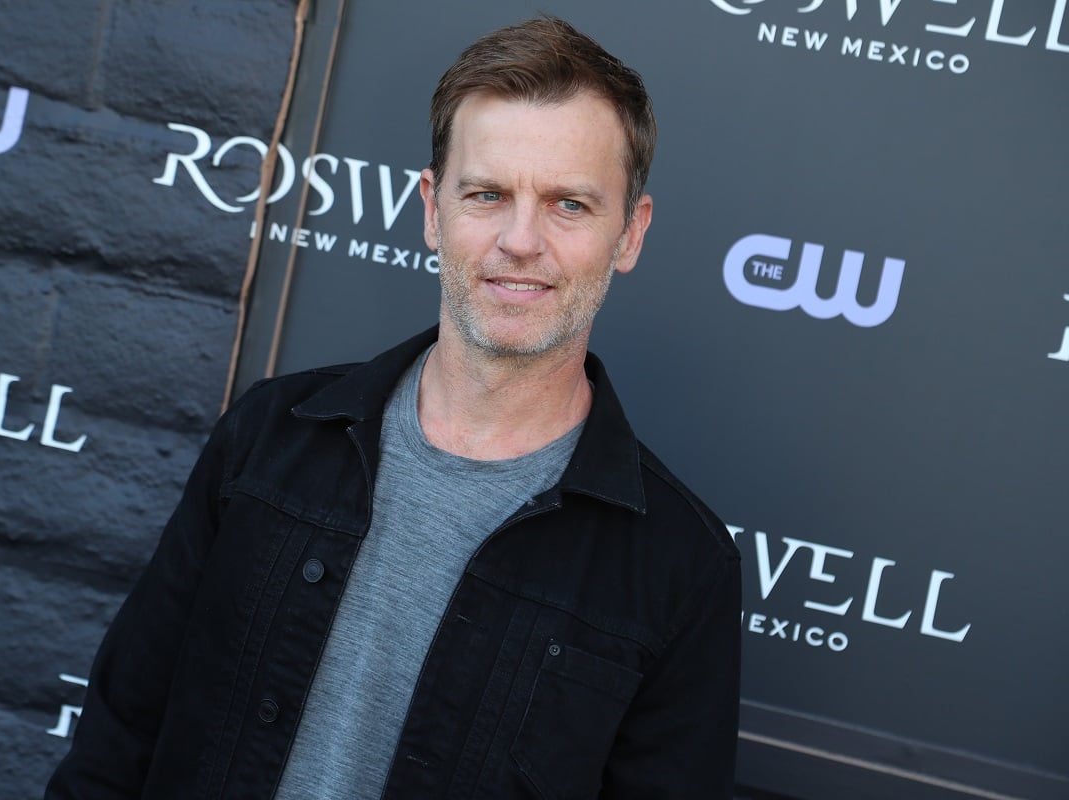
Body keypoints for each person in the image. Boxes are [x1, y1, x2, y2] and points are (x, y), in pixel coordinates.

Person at [47, 16, 741, 799]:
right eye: (486, 194)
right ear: (430, 209)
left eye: (569, 205)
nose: (520, 240)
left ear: (630, 233)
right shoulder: (270, 437)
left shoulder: (681, 569)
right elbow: (118, 738)